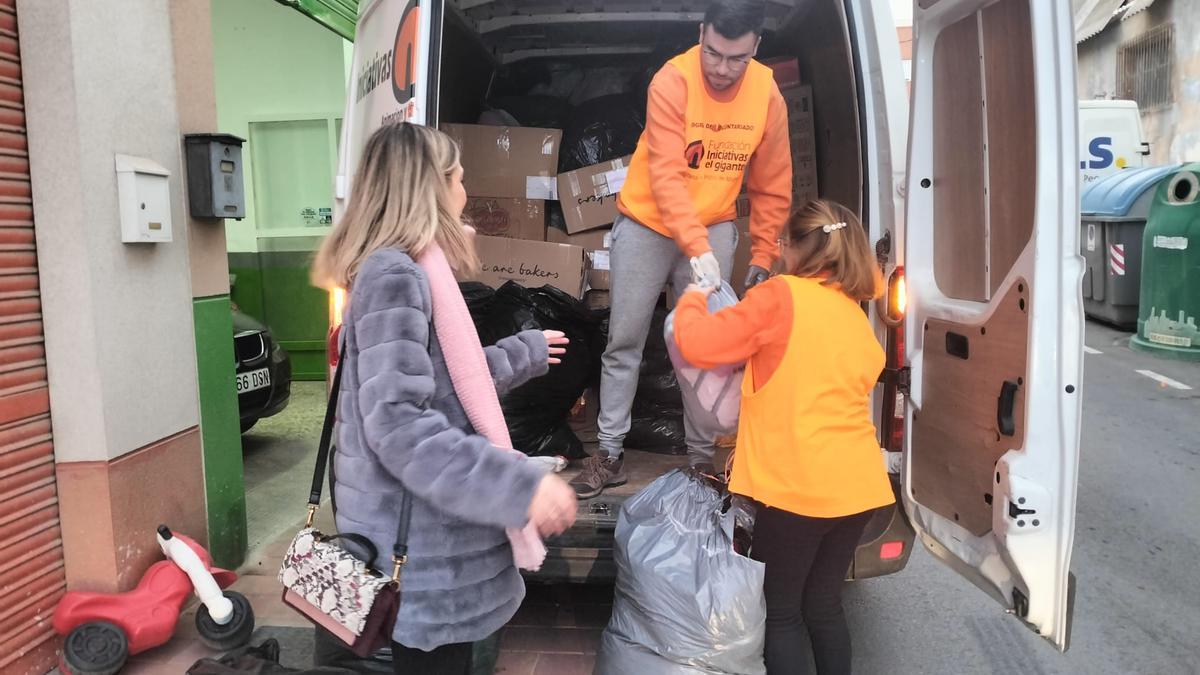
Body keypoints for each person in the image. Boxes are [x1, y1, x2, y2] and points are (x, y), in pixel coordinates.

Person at [311, 122, 578, 675]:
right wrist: (518, 483)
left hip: (431, 538)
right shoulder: (395, 275)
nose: (465, 190)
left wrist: (522, 353)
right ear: (430, 186)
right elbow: (401, 425)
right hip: (423, 550)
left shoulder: (405, 268)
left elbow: (440, 378)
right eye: (458, 177)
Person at [573, 0, 793, 499]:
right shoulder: (672, 80)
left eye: (736, 58)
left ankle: (701, 463)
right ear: (701, 33)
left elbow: (773, 182)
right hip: (648, 222)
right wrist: (695, 248)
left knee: (710, 351)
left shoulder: (766, 93)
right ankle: (609, 452)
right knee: (624, 341)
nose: (721, 68)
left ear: (756, 46)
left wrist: (762, 256)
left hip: (715, 223)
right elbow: (667, 177)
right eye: (713, 52)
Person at [672, 199, 897, 675]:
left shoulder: (780, 297)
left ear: (798, 247)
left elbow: (697, 343)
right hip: (859, 489)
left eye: (781, 243)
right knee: (823, 606)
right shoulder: (854, 313)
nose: (778, 253)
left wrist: (695, 293)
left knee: (783, 612)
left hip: (798, 489)